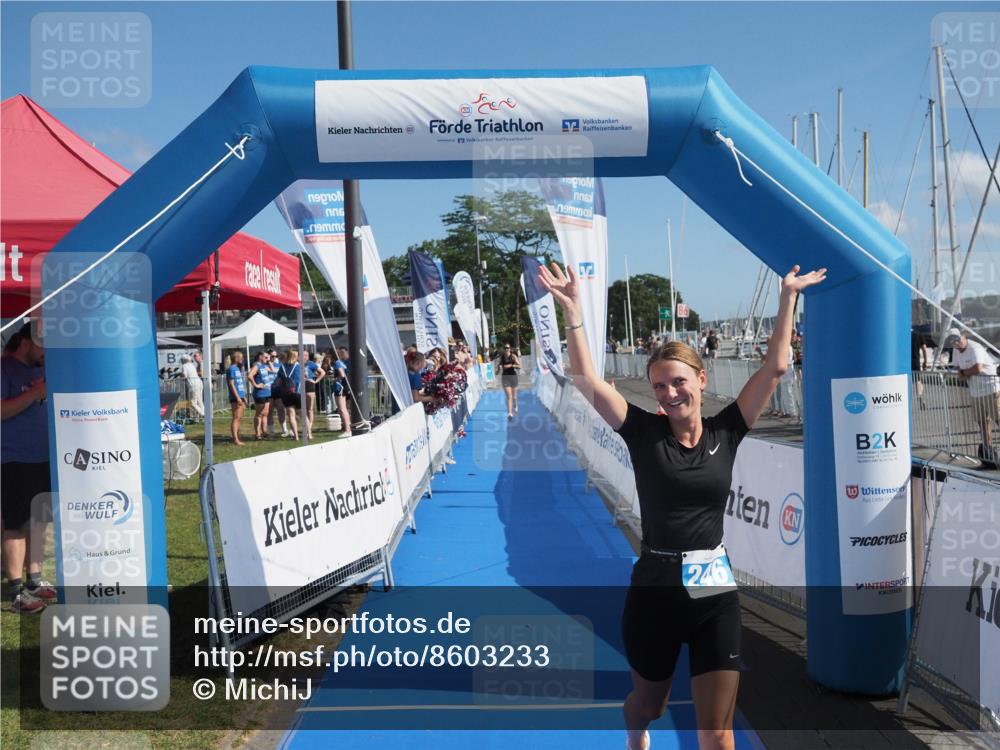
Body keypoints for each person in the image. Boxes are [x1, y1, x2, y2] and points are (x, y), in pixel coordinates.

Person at [539, 261, 826, 750]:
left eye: (678, 382)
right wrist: (572, 313)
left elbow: (776, 367)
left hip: (714, 592)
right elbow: (586, 380)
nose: (670, 394)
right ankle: (635, 733)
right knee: (648, 705)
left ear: (700, 378)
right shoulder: (643, 433)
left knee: (716, 733)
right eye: (659, 386)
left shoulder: (727, 430)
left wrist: (787, 297)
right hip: (654, 589)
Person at [1, 323, 57, 613]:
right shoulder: (5, 368)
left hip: (43, 457)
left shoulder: (41, 370)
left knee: (39, 521)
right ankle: (16, 590)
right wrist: (35, 393)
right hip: (13, 459)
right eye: (42, 345)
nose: (46, 352)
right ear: (26, 342)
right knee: (16, 524)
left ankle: (34, 579)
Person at [947, 327, 1000, 466]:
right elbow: (959, 373)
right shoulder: (956, 351)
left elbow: (978, 368)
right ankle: (988, 454)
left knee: (998, 419)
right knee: (983, 423)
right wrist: (966, 373)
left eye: (957, 339)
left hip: (991, 388)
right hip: (975, 392)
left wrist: (965, 372)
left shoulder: (975, 348)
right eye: (952, 341)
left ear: (964, 336)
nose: (956, 343)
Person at [248, 351, 274, 440]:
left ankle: (264, 432)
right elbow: (250, 376)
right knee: (259, 414)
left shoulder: (264, 366)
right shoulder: (257, 366)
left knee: (265, 414)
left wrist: (269, 361)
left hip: (267, 392)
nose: (267, 358)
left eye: (268, 357)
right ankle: (257, 434)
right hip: (260, 393)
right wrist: (256, 385)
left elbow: (274, 371)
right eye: (265, 356)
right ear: (260, 357)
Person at [277, 349, 302, 440]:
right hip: (297, 392)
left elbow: (279, 381)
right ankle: (309, 434)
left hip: (286, 393)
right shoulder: (299, 366)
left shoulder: (282, 367)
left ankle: (296, 436)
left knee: (291, 415)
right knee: (302, 414)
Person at [226, 350, 247, 445]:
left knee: (239, 418)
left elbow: (240, 384)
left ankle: (237, 436)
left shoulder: (238, 369)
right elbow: (232, 384)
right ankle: (235, 439)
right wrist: (238, 397)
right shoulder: (232, 369)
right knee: (236, 417)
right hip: (235, 397)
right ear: (236, 358)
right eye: (241, 357)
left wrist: (243, 396)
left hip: (240, 396)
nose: (243, 359)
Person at [304, 353, 326, 441]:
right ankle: (308, 430)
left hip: (309, 385)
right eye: (302, 355)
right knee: (302, 410)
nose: (304, 357)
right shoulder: (296, 363)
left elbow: (323, 372)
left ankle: (308, 430)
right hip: (299, 386)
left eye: (306, 355)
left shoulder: (310, 363)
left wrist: (316, 381)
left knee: (309, 409)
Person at [497, 343, 521, 419]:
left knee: (514, 396)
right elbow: (498, 367)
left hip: (513, 377)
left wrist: (511, 365)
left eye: (508, 348)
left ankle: (516, 405)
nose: (506, 349)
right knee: (509, 396)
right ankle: (510, 413)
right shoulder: (502, 357)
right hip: (505, 377)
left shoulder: (513, 356)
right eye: (505, 348)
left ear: (510, 349)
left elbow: (519, 366)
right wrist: (498, 370)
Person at [333, 348, 352, 437]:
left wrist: (336, 379)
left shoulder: (337, 363)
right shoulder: (345, 363)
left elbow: (342, 374)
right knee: (345, 409)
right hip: (345, 387)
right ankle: (348, 427)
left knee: (342, 409)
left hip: (339, 387)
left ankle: (347, 430)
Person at [181, 353, 204, 419]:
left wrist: (181, 375)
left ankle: (203, 414)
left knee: (193, 403)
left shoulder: (184, 366)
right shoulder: (192, 365)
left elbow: (185, 375)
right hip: (199, 382)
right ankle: (203, 415)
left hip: (193, 384)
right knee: (200, 401)